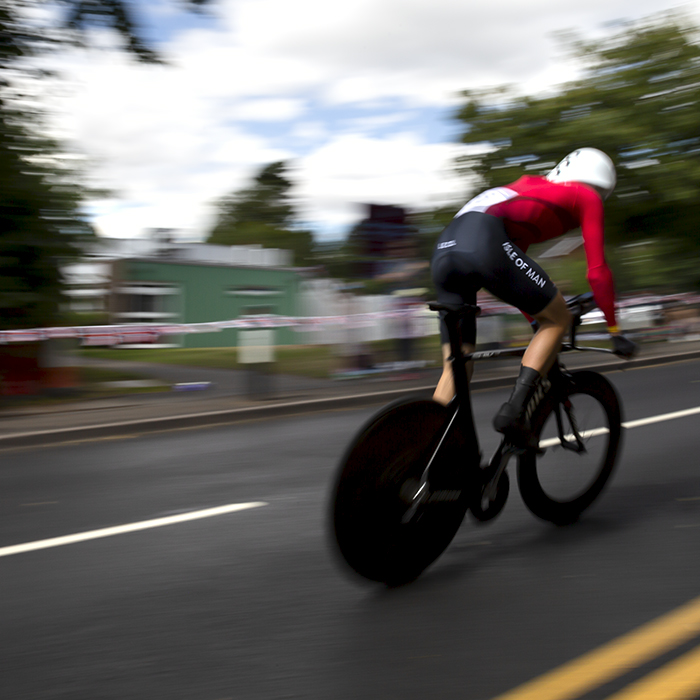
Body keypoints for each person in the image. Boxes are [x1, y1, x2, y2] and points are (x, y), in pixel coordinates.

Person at [431, 147, 637, 447]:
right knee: (559, 319)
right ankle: (513, 412)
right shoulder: (586, 195)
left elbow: (515, 274)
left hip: (444, 251)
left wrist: (534, 318)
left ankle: (425, 448)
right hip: (482, 241)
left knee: (457, 367)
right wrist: (614, 330)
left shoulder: (530, 189)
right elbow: (597, 272)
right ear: (601, 185)